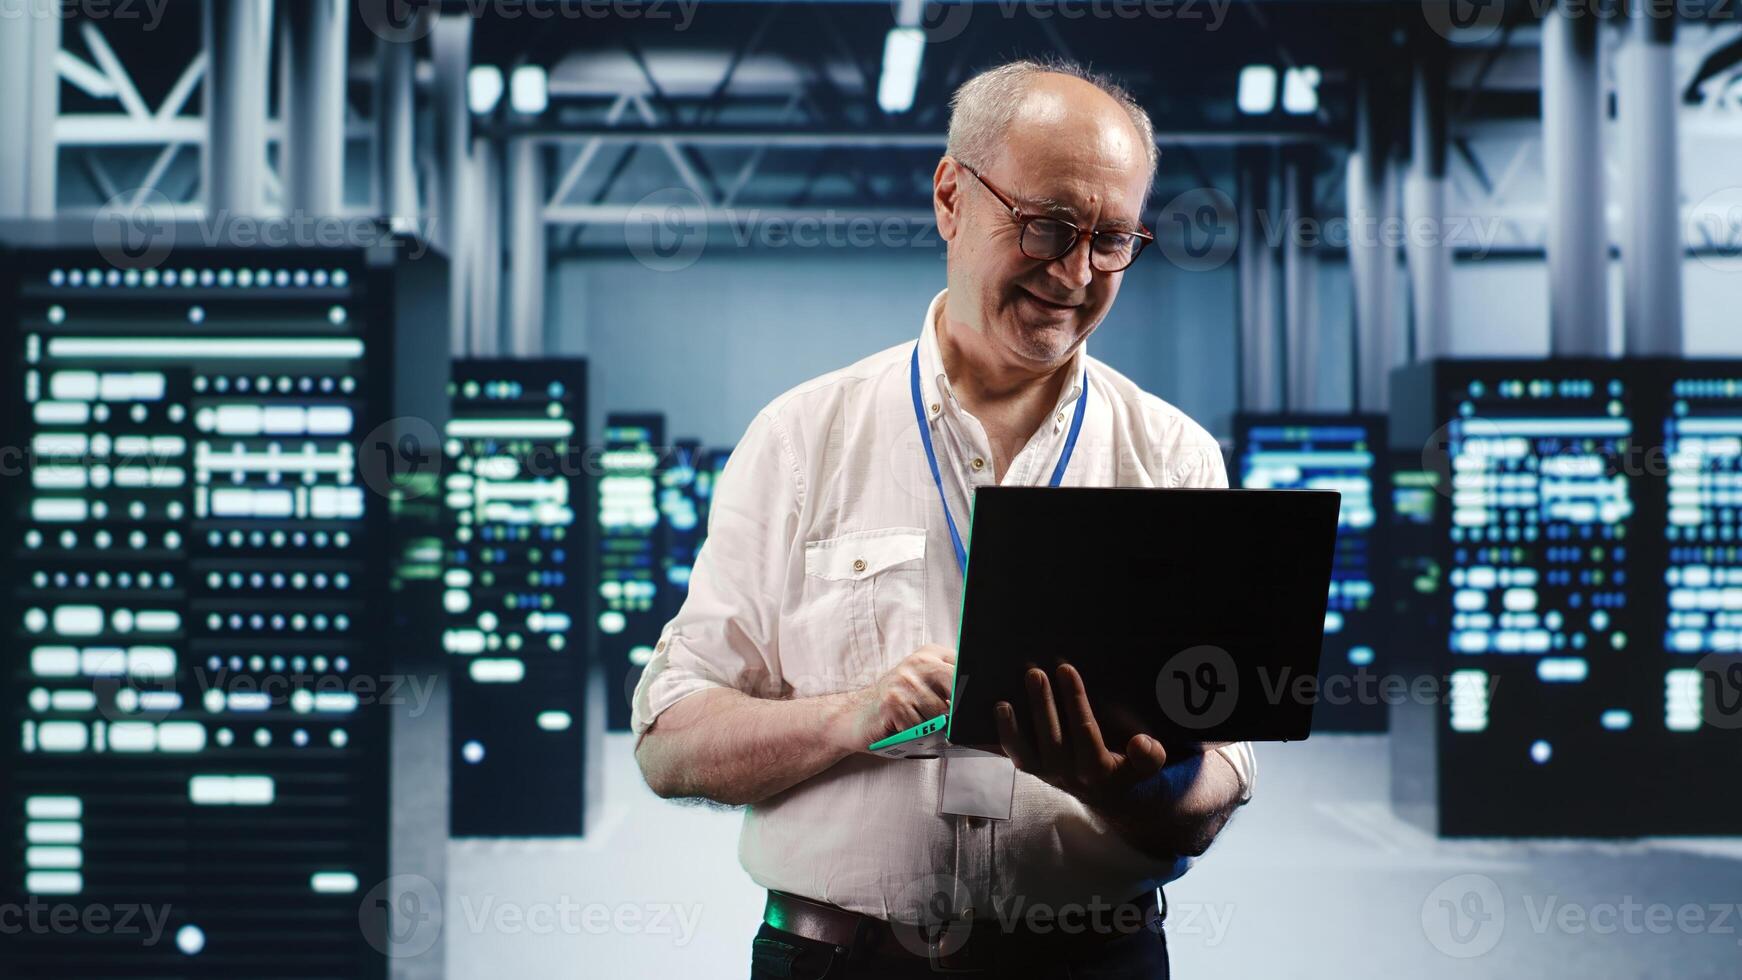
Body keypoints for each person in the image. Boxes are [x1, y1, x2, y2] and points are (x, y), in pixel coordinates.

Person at [631, 58, 1255, 979]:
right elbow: (670, 740)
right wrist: (849, 719)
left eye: (1112, 240)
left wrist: (1131, 789)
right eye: (1048, 226)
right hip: (842, 961)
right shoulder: (802, 439)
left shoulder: (1174, 461)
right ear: (952, 198)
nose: (1075, 272)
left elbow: (1221, 777)